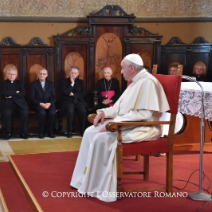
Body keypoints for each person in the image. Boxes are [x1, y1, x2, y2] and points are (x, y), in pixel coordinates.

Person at [70, 54, 169, 202]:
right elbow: (118, 108)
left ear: (132, 68)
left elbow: (145, 114)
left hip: (145, 127)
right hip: (129, 123)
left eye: (122, 68)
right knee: (90, 131)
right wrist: (104, 113)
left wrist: (114, 123)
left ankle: (99, 186)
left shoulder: (147, 82)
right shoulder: (134, 82)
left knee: (102, 138)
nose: (121, 72)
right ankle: (83, 179)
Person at [0, 68, 28, 140]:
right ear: (7, 75)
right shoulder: (3, 83)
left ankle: (23, 132)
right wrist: (16, 92)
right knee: (6, 113)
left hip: (19, 104)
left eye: (13, 74)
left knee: (24, 113)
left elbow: (23, 94)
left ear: (16, 75)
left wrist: (11, 95)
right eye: (10, 74)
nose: (12, 76)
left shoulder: (20, 83)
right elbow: (5, 93)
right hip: (8, 105)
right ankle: (8, 133)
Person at [60, 66, 87, 138]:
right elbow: (65, 92)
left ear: (78, 74)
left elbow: (83, 93)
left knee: (83, 111)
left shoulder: (81, 82)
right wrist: (72, 84)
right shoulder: (64, 82)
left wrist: (74, 95)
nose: (73, 74)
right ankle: (70, 131)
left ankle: (82, 130)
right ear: (69, 72)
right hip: (68, 101)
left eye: (75, 73)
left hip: (78, 100)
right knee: (70, 111)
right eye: (72, 73)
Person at [30, 68, 56, 139]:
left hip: (49, 103)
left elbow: (54, 97)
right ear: (38, 75)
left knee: (52, 112)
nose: (42, 75)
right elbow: (32, 98)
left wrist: (49, 103)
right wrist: (40, 103)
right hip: (38, 104)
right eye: (40, 73)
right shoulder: (33, 84)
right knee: (42, 113)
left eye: (44, 74)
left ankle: (50, 132)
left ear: (47, 75)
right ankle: (41, 132)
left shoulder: (51, 84)